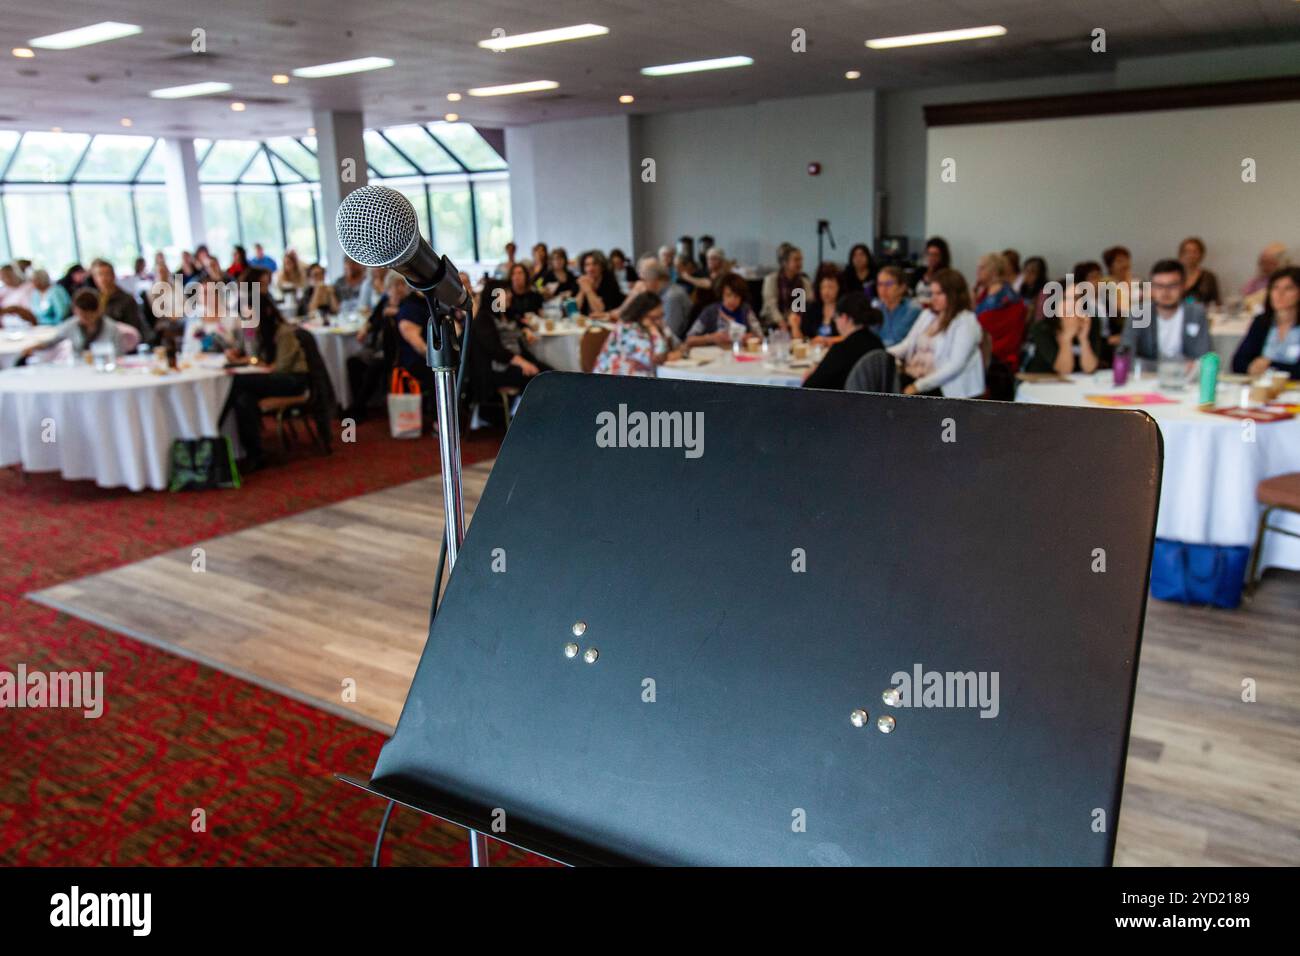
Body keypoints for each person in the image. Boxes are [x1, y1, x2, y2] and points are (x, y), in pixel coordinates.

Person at [222, 300, 309, 471]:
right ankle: (255, 454)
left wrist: (256, 363)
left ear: (266, 312)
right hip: (268, 378)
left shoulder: (284, 332)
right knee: (243, 399)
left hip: (292, 380)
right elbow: (250, 354)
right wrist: (245, 349)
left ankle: (217, 425)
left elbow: (282, 366)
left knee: (236, 382)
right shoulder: (254, 330)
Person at [886, 268, 984, 398]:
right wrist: (882, 354)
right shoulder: (928, 315)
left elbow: (955, 365)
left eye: (939, 294)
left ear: (953, 295)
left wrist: (918, 386)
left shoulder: (966, 322)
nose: (934, 298)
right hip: (916, 375)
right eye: (932, 293)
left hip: (947, 388)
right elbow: (907, 344)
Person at [346, 270, 409, 420]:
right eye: (395, 285)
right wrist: (364, 329)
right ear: (388, 288)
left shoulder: (409, 303)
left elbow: (414, 318)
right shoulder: (385, 301)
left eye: (401, 285)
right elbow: (373, 319)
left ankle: (358, 408)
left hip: (397, 352)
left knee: (374, 367)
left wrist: (397, 313)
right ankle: (359, 404)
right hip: (377, 346)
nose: (399, 289)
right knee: (353, 362)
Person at [1121, 259, 1210, 362]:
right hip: (1148, 376)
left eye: (1172, 286)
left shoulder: (1196, 313)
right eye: (1159, 286)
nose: (1165, 292)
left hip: (1186, 377)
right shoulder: (1139, 314)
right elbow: (1126, 355)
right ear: (1152, 288)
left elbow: (1204, 355)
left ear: (1183, 286)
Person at [802, 293, 885, 391]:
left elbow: (809, 387)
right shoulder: (877, 343)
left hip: (844, 403)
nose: (835, 321)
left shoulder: (841, 350)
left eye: (836, 317)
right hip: (876, 403)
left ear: (845, 317)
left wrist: (812, 373)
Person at [21, 289, 132, 360]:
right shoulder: (72, 324)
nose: (84, 319)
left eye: (89, 315)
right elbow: (52, 340)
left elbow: (119, 356)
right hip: (79, 368)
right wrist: (34, 347)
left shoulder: (111, 328)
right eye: (81, 315)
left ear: (98, 311)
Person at [1231, 266, 1300, 380]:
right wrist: (1251, 367)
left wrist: (1270, 366)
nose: (1280, 293)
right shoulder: (1262, 322)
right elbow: (1238, 362)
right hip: (1263, 388)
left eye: (1289, 288)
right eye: (1275, 288)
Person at [593, 291, 680, 377]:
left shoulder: (658, 324)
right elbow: (654, 359)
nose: (659, 321)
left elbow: (677, 346)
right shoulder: (627, 328)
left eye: (661, 316)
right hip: (614, 380)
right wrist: (654, 331)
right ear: (641, 314)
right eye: (654, 318)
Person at [1023, 282, 1102, 375]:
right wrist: (1066, 339)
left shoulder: (1091, 322)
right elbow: (1064, 370)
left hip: (1079, 382)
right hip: (1045, 381)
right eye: (1065, 299)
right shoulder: (1042, 328)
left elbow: (1090, 368)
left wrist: (1083, 339)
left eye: (1076, 298)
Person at [973, 252, 1026, 373]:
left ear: (994, 271)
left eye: (982, 268)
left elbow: (985, 325)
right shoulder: (985, 293)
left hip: (997, 356)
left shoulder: (1006, 299)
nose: (977, 271)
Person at [684, 272, 762, 347]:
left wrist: (750, 337)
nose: (732, 300)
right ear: (721, 295)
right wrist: (711, 338)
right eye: (728, 295)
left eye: (736, 296)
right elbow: (689, 339)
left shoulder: (746, 310)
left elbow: (760, 336)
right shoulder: (710, 312)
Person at [630, 256, 690, 341]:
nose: (641, 284)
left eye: (643, 280)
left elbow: (669, 333)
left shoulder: (672, 297)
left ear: (654, 279)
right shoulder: (661, 294)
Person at [761, 244, 813, 331]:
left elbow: (808, 305)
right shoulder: (772, 280)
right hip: (773, 324)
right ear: (785, 262)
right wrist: (781, 322)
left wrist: (795, 323)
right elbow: (770, 306)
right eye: (796, 260)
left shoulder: (804, 282)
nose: (800, 263)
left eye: (801, 260)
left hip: (796, 324)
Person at [90, 258, 146, 335]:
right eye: (99, 275)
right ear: (94, 278)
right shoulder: (93, 299)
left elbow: (134, 330)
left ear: (113, 276)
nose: (103, 278)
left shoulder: (127, 300)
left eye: (106, 274)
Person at [871, 265, 921, 346]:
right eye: (880, 284)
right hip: (878, 353)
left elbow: (896, 340)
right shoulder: (876, 308)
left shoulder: (912, 310)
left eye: (888, 284)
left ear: (902, 287)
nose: (883, 289)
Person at [797, 262, 842, 342]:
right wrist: (795, 325)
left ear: (839, 288)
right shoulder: (812, 308)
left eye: (831, 287)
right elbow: (804, 337)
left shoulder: (844, 309)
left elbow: (850, 337)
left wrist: (826, 340)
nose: (826, 292)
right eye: (823, 287)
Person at [574, 250, 624, 315]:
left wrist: (588, 290)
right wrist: (582, 291)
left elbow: (600, 311)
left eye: (595, 264)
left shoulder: (609, 282)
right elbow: (573, 310)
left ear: (602, 266)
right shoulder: (581, 281)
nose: (590, 268)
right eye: (587, 265)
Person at [1175, 237, 1219, 305]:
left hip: (1203, 314)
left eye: (1195, 252)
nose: (1191, 255)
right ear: (1180, 254)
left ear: (1201, 255)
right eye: (1187, 251)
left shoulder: (1209, 277)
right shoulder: (1172, 277)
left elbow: (1216, 302)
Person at [913, 237, 950, 303]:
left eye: (935, 255)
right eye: (929, 254)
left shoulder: (947, 275)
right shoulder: (920, 271)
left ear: (942, 256)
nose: (931, 258)